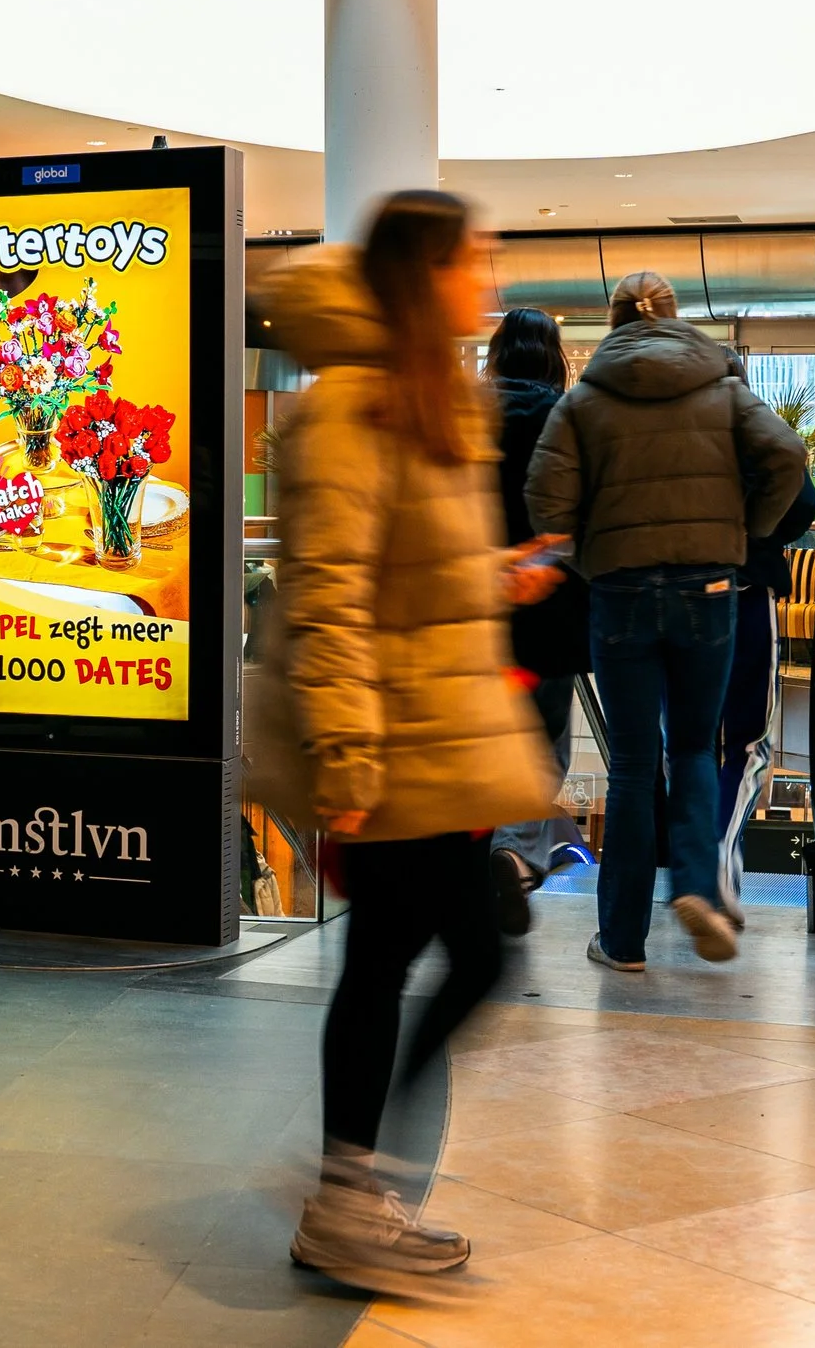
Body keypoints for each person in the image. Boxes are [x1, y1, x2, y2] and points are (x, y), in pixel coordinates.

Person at [261, 190, 563, 1280]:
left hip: (433, 724)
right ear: (419, 274)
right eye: (470, 257)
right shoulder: (353, 407)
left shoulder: (426, 395)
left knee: (403, 957)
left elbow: (400, 568)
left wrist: (491, 575)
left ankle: (349, 1187)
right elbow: (328, 592)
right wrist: (345, 753)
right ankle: (351, 1189)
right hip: (389, 739)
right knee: (467, 951)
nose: (487, 276)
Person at [527, 271, 804, 971]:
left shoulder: (585, 398)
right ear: (677, 318)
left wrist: (583, 546)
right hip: (710, 587)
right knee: (693, 749)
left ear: (615, 322)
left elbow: (545, 495)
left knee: (631, 767)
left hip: (618, 591)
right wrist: (745, 533)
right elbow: (788, 458)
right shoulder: (723, 385)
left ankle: (621, 940)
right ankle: (698, 893)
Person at [484, 308, 592, 933]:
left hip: (477, 604)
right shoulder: (568, 416)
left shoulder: (468, 415)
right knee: (543, 741)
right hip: (550, 602)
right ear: (553, 356)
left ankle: (481, 852)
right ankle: (514, 850)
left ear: (496, 354)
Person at [715, 474, 815, 926]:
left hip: (659, 588)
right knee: (747, 745)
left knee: (681, 745)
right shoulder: (744, 413)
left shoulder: (621, 408)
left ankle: (692, 869)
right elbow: (801, 497)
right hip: (744, 587)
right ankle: (716, 861)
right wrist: (758, 531)